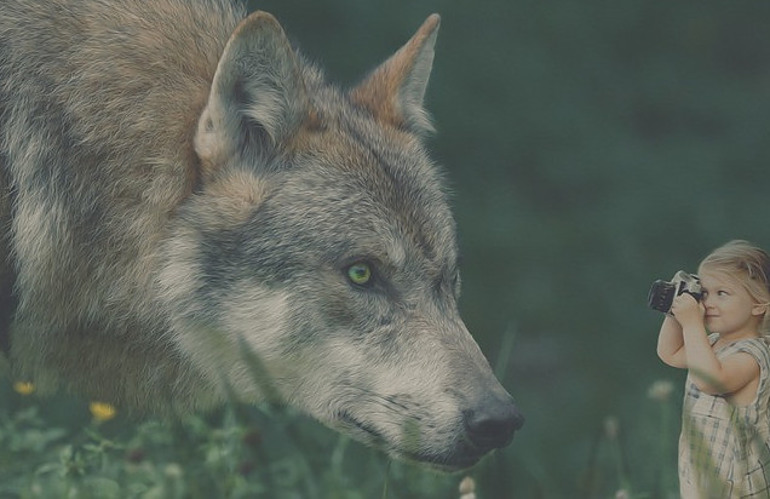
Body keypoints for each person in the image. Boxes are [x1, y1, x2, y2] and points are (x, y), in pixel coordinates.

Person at [657, 240, 770, 498]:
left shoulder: (753, 355)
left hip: (737, 483)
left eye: (722, 293)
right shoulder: (713, 343)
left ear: (759, 304)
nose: (708, 303)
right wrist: (675, 312)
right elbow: (670, 353)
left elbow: (711, 380)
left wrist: (693, 323)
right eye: (704, 293)